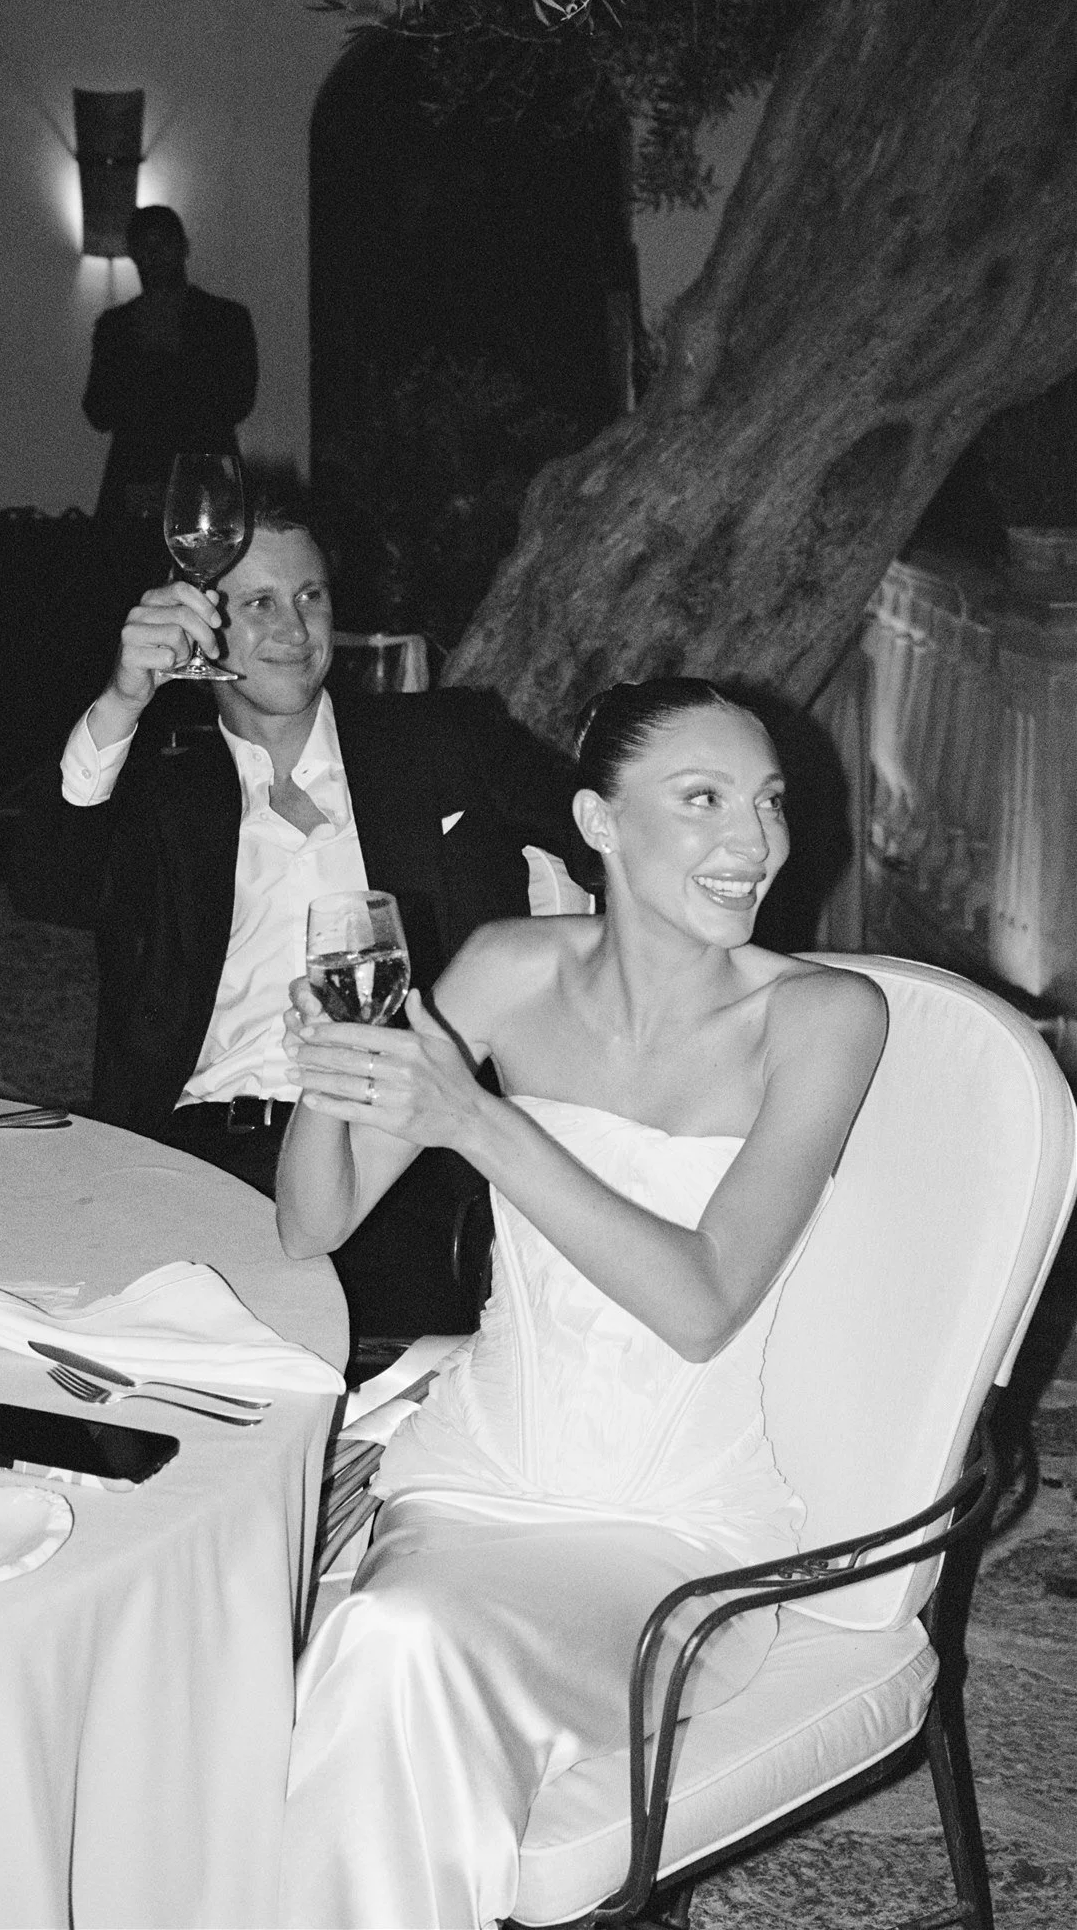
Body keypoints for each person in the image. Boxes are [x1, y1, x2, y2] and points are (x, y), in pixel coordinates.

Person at [275, 677, 888, 1928]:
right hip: (472, 1476)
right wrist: (330, 1076)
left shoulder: (820, 1017)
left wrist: (476, 1121)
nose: (752, 840)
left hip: (669, 1530)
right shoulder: (508, 966)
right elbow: (311, 1221)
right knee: (387, 1643)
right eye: (702, 798)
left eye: (767, 801)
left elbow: (701, 1302)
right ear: (598, 823)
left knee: (395, 1648)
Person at [53, 498, 576, 1342]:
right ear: (199, 625)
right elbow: (52, 884)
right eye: (259, 603)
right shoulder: (159, 780)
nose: (294, 629)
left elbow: (607, 834)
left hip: (396, 1157)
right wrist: (122, 699)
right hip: (199, 1149)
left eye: (311, 597)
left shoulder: (442, 741)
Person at [82, 205, 258, 524]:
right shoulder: (116, 325)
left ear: (183, 247)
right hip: (140, 483)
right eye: (145, 246)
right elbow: (98, 410)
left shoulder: (225, 320)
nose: (154, 255)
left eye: (163, 243)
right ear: (133, 253)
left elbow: (238, 401)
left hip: (202, 481)